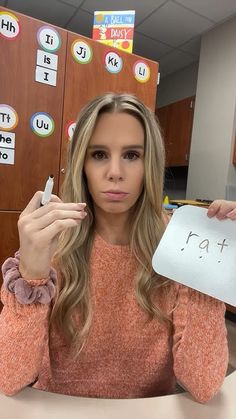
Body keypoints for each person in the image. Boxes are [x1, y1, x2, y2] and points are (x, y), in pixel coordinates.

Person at [0, 93, 233, 403]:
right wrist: (31, 272)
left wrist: (207, 269)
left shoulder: (179, 245)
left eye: (132, 155)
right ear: (81, 163)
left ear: (149, 163)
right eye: (99, 154)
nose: (115, 172)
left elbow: (203, 386)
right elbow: (9, 378)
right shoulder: (53, 241)